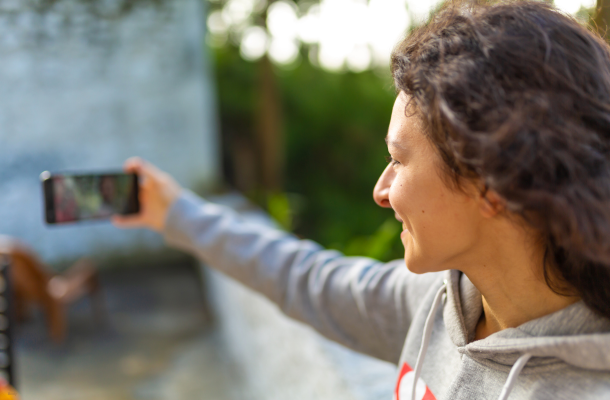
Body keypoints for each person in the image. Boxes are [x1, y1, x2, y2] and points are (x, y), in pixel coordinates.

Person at [114, 1, 610, 399]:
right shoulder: (438, 302)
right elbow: (303, 278)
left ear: (493, 185)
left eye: (399, 158)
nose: (381, 189)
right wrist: (174, 212)